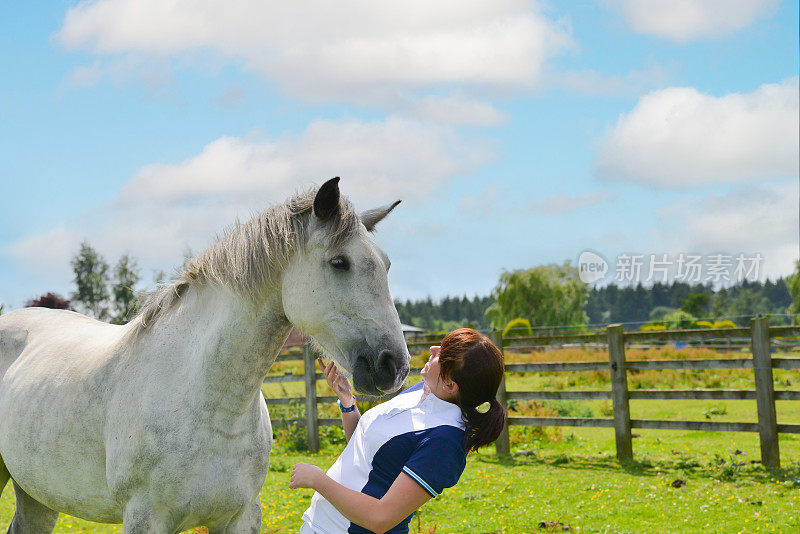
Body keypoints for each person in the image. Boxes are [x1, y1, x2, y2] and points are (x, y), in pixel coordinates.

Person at [289, 328, 507, 534]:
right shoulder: (420, 393)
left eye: (444, 352)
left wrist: (318, 480)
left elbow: (380, 519)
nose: (433, 350)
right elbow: (365, 449)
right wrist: (347, 403)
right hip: (317, 525)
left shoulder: (446, 443)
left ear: (450, 385)